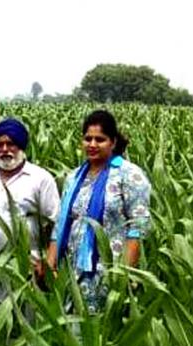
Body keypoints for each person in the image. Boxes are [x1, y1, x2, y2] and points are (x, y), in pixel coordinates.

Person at [47, 110, 151, 312]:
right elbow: (61, 224)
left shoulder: (129, 175)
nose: (92, 145)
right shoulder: (74, 177)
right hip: (73, 274)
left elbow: (138, 228)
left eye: (100, 139)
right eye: (88, 139)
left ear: (113, 142)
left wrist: (125, 275)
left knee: (105, 335)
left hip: (109, 274)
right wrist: (50, 263)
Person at [0, 118, 60, 277]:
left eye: (11, 144)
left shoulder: (41, 179)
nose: (5, 149)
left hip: (28, 268)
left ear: (22, 147)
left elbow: (56, 225)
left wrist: (50, 264)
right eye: (0, 145)